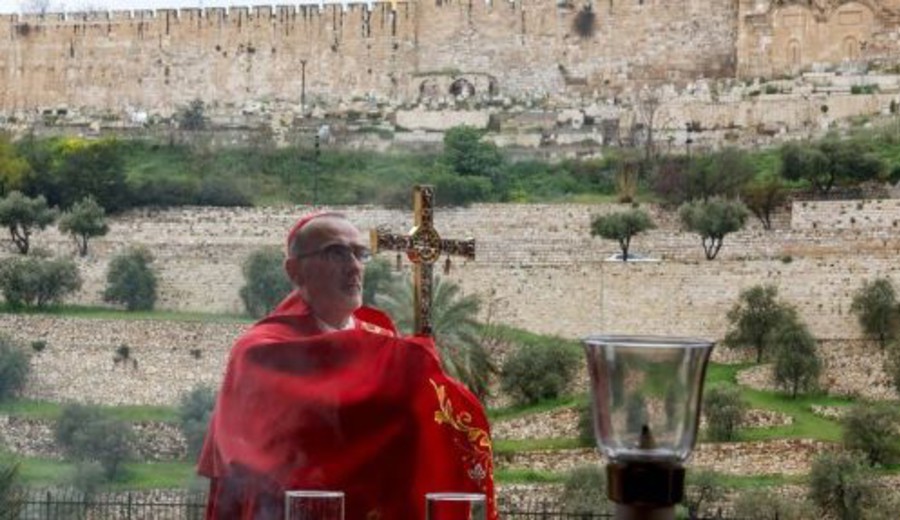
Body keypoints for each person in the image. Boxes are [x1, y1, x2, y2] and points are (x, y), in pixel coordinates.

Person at [198, 212, 496, 520]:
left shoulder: (384, 342)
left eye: (360, 253)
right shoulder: (260, 351)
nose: (353, 266)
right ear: (295, 271)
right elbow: (298, 439)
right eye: (336, 253)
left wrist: (423, 380)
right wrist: (408, 366)